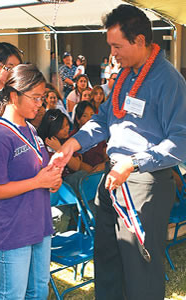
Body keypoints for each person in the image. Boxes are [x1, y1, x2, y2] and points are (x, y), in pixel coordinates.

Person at [49, 4, 186, 300]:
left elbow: (180, 141)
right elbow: (103, 120)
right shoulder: (124, 76)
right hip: (111, 179)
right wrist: (72, 144)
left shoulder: (168, 80)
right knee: (108, 260)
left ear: (140, 41)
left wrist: (134, 164)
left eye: (117, 46)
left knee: (140, 268)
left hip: (144, 183)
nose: (113, 54)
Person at [0, 64, 62, 300]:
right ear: (13, 95)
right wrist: (37, 182)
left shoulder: (31, 130)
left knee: (39, 291)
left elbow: (39, 174)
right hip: (14, 228)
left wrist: (52, 180)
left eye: (42, 98)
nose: (40, 104)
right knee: (11, 295)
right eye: (35, 98)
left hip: (40, 224)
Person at [0, 42, 23, 300]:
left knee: (3, 255)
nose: (13, 73)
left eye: (16, 67)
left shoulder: (12, 101)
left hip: (10, 192)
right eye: (8, 67)